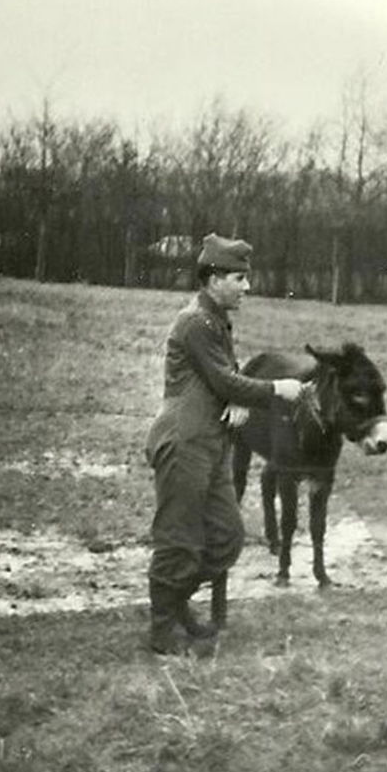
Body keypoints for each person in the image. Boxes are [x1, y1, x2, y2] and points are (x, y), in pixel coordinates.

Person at [144, 232, 305, 655]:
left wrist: (236, 397)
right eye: (239, 278)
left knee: (228, 536)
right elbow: (224, 380)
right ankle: (163, 630)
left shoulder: (215, 321)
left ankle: (175, 602)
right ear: (214, 279)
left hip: (210, 446)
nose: (247, 286)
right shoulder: (196, 322)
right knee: (179, 539)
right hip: (184, 442)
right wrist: (276, 389)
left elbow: (223, 379)